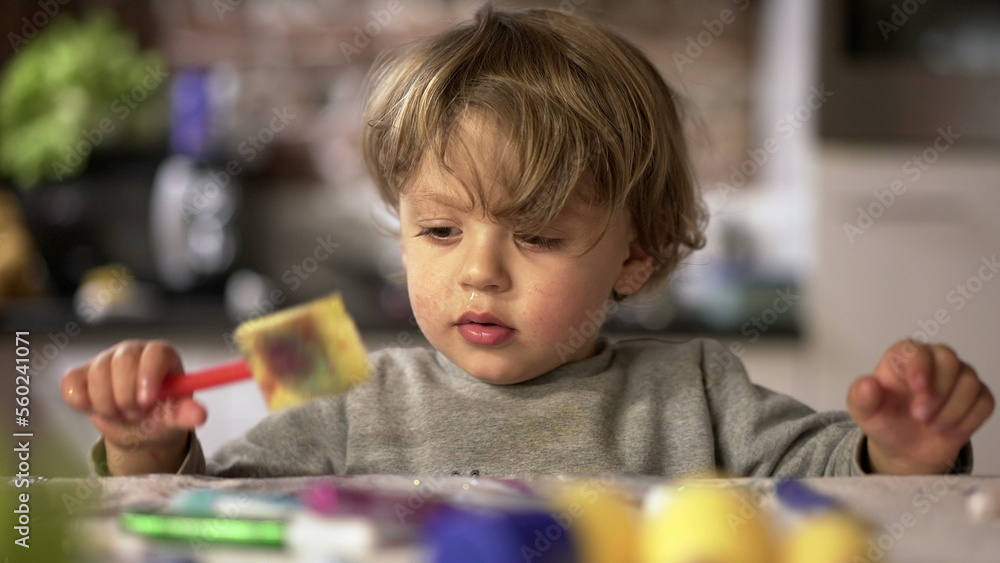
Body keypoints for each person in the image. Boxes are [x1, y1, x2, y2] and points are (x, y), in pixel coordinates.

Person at [62, 5, 993, 478]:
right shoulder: (349, 395)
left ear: (638, 253)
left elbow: (840, 483)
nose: (477, 270)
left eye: (539, 236)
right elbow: (220, 511)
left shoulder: (697, 394)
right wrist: (150, 453)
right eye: (437, 228)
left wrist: (904, 455)